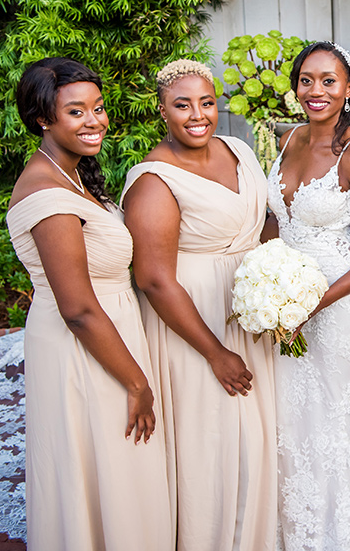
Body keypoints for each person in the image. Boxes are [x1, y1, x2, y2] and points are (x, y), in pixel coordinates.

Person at [6, 57, 174, 550]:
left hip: (108, 338)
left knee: (118, 472)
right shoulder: (47, 193)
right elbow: (77, 309)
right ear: (43, 118)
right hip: (87, 350)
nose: (94, 121)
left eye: (98, 109)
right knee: (108, 466)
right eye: (76, 112)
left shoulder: (70, 175)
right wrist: (137, 382)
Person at [121, 60, 277, 551]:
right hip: (195, 321)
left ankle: (257, 531)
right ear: (162, 111)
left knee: (256, 434)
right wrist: (215, 352)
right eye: (182, 105)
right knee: (212, 440)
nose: (197, 115)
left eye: (206, 103)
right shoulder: (153, 180)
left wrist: (277, 288)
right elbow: (152, 279)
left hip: (252, 310)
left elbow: (265, 221)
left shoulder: (239, 149)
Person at [262, 41, 350, 550]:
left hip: (339, 296)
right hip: (285, 290)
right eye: (306, 80)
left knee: (327, 408)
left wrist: (312, 302)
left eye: (329, 81)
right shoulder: (290, 137)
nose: (316, 91)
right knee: (286, 406)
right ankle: (286, 517)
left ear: (349, 89)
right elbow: (277, 219)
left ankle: (335, 529)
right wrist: (266, 276)